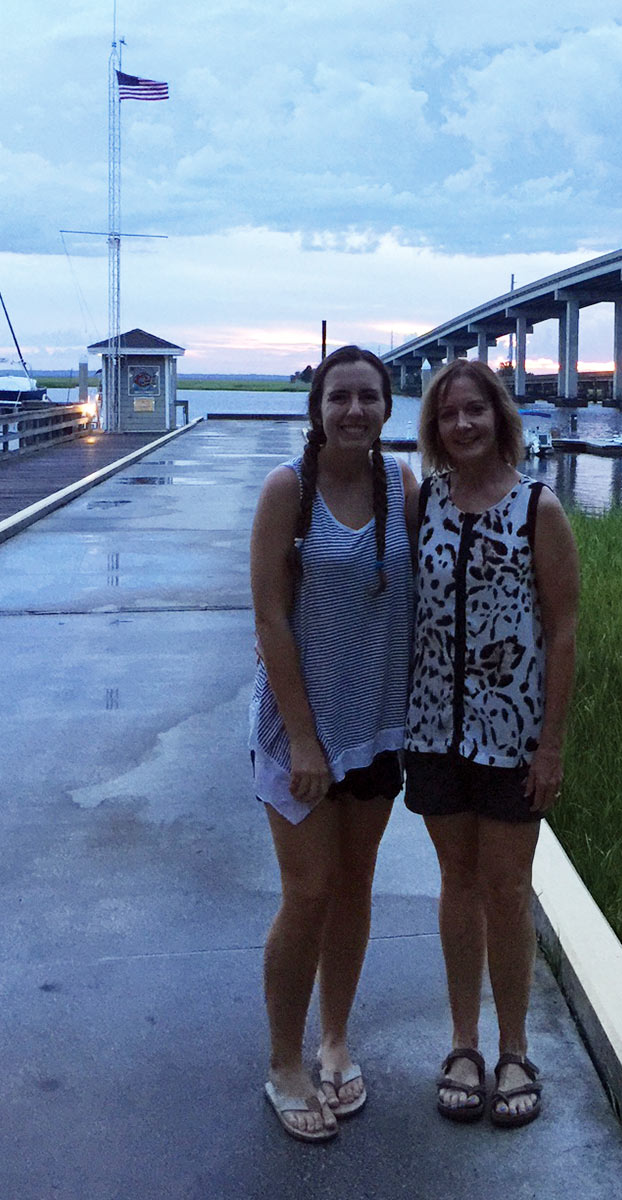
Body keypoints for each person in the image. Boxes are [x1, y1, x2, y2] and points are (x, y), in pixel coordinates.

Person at [405, 358, 580, 1129]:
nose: (463, 425)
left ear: (499, 417)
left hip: (512, 736)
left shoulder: (539, 506)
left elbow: (564, 629)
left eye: (475, 411)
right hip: (434, 732)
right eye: (449, 415)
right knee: (458, 884)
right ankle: (464, 1043)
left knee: (508, 888)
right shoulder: (426, 503)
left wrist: (553, 745)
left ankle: (514, 1049)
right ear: (435, 429)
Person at [248, 345, 416, 1141]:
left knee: (355, 888)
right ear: (317, 408)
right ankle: (284, 1063)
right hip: (303, 731)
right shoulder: (289, 491)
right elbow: (270, 621)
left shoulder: (400, 486)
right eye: (339, 397)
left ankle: (336, 1040)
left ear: (388, 408)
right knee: (308, 893)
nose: (354, 410)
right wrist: (306, 738)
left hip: (377, 724)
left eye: (368, 398)